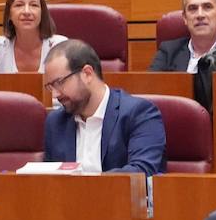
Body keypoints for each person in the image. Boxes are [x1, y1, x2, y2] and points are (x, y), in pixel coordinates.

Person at [42, 39, 166, 175]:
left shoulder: (139, 113)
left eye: (59, 83)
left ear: (87, 74)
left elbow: (142, 171)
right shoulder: (55, 122)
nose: (55, 94)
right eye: (50, 87)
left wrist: (89, 187)